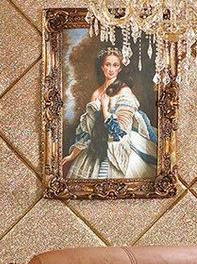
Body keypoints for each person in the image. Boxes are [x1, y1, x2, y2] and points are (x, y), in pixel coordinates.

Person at [61, 48, 157, 179]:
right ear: (102, 67)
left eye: (115, 65)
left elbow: (119, 131)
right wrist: (72, 155)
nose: (111, 69)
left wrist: (105, 109)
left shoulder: (124, 91)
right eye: (107, 64)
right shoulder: (96, 93)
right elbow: (89, 130)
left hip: (118, 145)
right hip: (96, 147)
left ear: (120, 68)